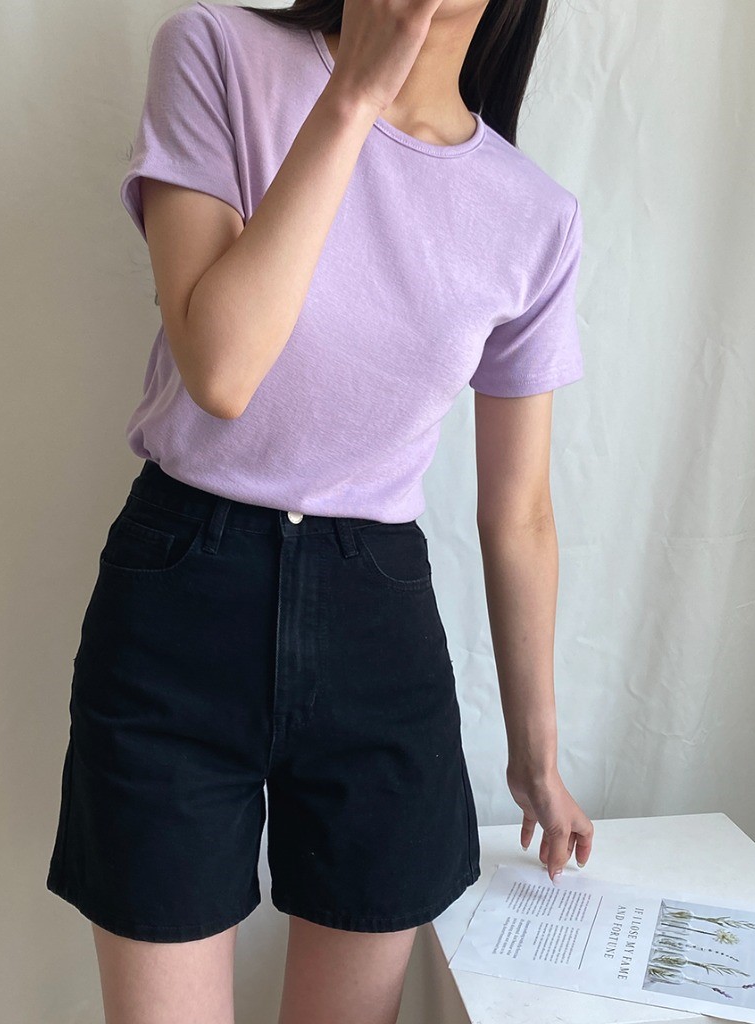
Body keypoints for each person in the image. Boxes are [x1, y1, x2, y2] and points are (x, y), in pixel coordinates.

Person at [46, 0, 595, 1020]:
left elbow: (518, 511)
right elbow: (221, 368)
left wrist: (535, 757)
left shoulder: (532, 216)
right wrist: (352, 97)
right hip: (180, 602)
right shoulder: (215, 52)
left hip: (374, 622)